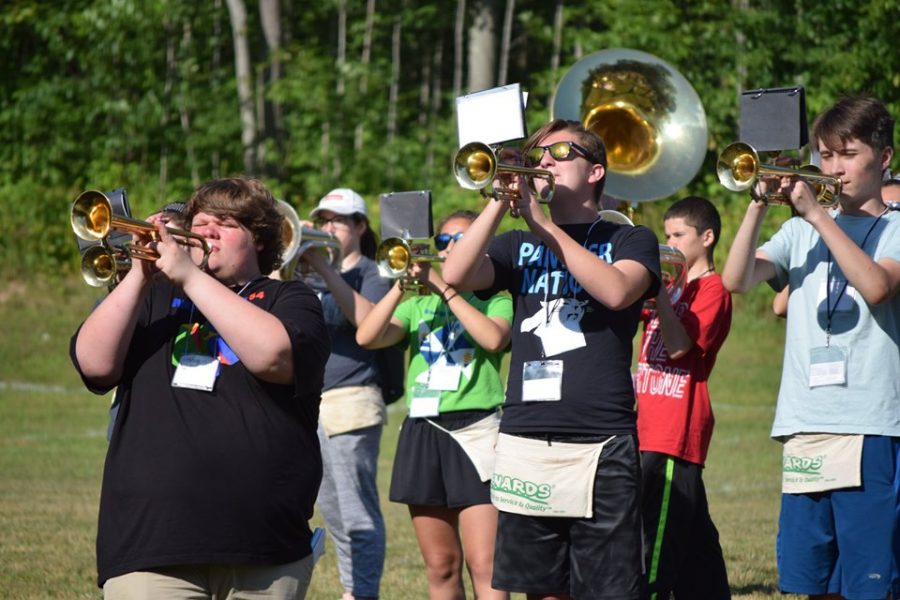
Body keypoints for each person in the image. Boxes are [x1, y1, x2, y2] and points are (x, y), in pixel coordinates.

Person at [70, 176, 331, 599]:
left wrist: (190, 278)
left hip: (264, 547)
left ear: (259, 241)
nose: (207, 230)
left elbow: (273, 357)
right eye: (201, 220)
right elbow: (94, 365)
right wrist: (140, 273)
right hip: (151, 544)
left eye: (226, 223)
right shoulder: (150, 299)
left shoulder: (290, 298)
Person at [442, 119, 661, 600]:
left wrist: (542, 224)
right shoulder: (516, 244)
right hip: (525, 436)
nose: (545, 160)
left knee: (607, 590)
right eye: (536, 152)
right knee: (541, 589)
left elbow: (617, 290)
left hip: (600, 439)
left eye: (561, 152)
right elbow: (454, 274)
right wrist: (502, 201)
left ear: (596, 171)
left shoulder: (630, 239)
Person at [721, 94, 900, 600]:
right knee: (810, 581)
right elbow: (735, 280)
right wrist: (758, 201)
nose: (834, 167)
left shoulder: (895, 226)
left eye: (848, 153)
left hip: (868, 425)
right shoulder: (796, 231)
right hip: (804, 426)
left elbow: (877, 287)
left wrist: (821, 217)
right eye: (826, 155)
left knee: (870, 582)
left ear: (884, 157)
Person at [355, 210, 513, 600]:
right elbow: (367, 336)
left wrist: (445, 288)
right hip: (424, 430)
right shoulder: (416, 303)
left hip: (477, 431)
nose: (451, 248)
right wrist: (401, 284)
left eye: (462, 239)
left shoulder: (497, 298)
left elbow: (494, 340)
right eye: (444, 242)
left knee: (485, 563)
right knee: (440, 565)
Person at [634, 196, 732, 600]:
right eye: (666, 233)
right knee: (696, 554)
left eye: (678, 235)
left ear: (706, 238)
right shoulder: (670, 288)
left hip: (672, 437)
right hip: (644, 430)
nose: (669, 242)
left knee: (652, 556)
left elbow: (677, 346)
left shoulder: (713, 290)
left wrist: (660, 293)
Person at [301, 188, 391, 600]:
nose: (328, 227)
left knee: (357, 510)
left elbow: (367, 322)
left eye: (338, 220)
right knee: (332, 510)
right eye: (322, 220)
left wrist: (323, 266)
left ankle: (362, 592)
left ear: (359, 226)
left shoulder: (373, 273)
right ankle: (353, 589)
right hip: (310, 402)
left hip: (351, 400)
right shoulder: (307, 274)